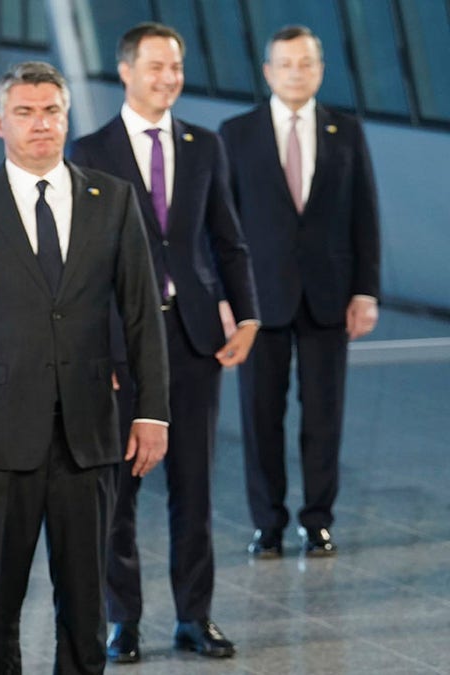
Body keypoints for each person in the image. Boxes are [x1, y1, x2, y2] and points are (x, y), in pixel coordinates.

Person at [0, 62, 169, 675]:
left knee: (86, 606)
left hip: (91, 436)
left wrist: (151, 411)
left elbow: (141, 313)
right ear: (0, 123)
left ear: (67, 117)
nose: (41, 125)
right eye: (26, 113)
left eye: (52, 111)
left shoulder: (111, 199)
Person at [69, 22, 260, 663]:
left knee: (196, 489)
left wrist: (250, 314)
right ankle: (123, 622)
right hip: (122, 349)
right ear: (126, 71)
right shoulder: (90, 151)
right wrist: (107, 353)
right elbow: (85, 266)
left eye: (175, 67)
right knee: (120, 492)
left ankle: (194, 619)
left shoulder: (204, 145)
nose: (167, 78)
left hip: (195, 336)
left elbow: (226, 238)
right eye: (155, 67)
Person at [219, 25, 380, 559]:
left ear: (320, 69)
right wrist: (228, 299)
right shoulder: (235, 133)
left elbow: (365, 215)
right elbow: (223, 225)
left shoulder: (346, 131)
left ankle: (318, 520)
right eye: (285, 64)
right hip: (259, 302)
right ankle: (268, 523)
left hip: (329, 296)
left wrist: (367, 291)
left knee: (324, 415)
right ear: (267, 71)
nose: (296, 73)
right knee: (259, 417)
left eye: (306, 63)